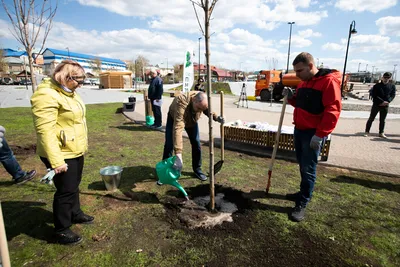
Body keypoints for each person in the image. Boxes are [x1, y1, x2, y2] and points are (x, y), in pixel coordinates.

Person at [31, 60, 94, 245]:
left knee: (74, 184)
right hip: (60, 153)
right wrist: (56, 160)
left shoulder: (69, 92)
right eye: (79, 81)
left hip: (74, 149)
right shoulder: (46, 94)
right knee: (65, 190)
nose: (81, 85)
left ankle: (75, 213)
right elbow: (45, 131)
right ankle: (61, 229)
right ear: (66, 77)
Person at [283, 52, 342, 222]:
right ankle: (303, 192)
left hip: (312, 134)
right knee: (302, 165)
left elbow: (333, 111)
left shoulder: (328, 82)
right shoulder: (304, 82)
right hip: (300, 130)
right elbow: (301, 104)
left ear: (310, 66)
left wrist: (320, 135)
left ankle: (303, 201)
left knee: (308, 168)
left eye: (299, 71)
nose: (297, 75)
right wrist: (292, 98)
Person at [161, 91, 224, 181]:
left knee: (196, 142)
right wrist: (178, 154)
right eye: (198, 108)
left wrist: (216, 117)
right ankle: (164, 171)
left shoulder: (201, 101)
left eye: (201, 110)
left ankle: (197, 169)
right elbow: (178, 128)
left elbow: (206, 109)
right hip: (175, 118)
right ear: (193, 100)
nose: (199, 111)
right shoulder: (181, 101)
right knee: (169, 144)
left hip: (192, 120)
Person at [364, 72, 396, 139]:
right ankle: (367, 131)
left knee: (382, 120)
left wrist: (388, 101)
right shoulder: (377, 85)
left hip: (385, 105)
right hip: (377, 104)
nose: (386, 79)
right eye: (385, 77)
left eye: (388, 77)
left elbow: (393, 95)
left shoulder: (392, 86)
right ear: (382, 77)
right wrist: (381, 101)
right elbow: (374, 95)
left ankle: (381, 132)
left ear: (390, 78)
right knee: (371, 118)